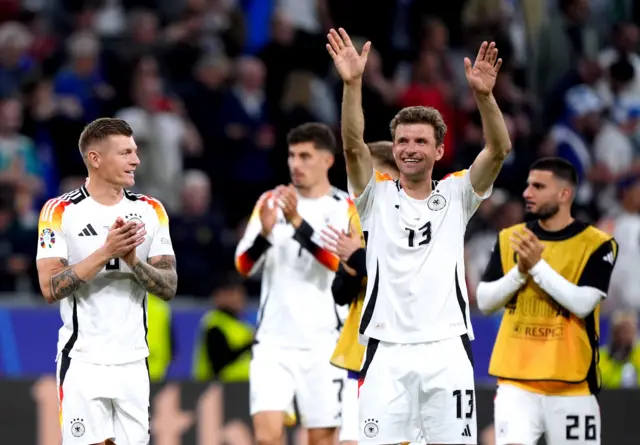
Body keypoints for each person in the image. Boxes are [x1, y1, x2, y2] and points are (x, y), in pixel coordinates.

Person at [326, 27, 511, 445]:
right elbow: (353, 146)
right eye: (403, 140)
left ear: (439, 150)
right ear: (393, 148)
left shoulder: (458, 193)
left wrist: (484, 96)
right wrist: (352, 84)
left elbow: (498, 149)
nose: (410, 148)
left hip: (447, 349)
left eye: (421, 141)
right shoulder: (373, 198)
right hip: (386, 350)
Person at [35, 117, 177, 445]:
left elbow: (168, 286)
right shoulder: (59, 211)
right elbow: (50, 288)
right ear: (96, 159)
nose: (136, 160)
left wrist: (132, 261)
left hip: (133, 361)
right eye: (125, 152)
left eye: (135, 151)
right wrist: (106, 252)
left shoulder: (151, 210)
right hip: (83, 359)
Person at [476, 158, 618, 445]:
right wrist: (520, 273)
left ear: (564, 194)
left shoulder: (597, 244)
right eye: (528, 185)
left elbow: (582, 304)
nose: (527, 192)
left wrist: (538, 269)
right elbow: (485, 300)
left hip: (573, 385)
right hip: (515, 382)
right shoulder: (509, 239)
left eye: (538, 186)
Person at [235, 122, 355, 445]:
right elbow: (243, 265)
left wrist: (298, 224)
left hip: (324, 344)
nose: (295, 164)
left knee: (321, 439)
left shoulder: (343, 207)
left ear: (328, 160)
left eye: (305, 156)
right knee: (267, 437)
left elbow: (338, 264)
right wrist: (264, 234)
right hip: (273, 343)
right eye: (291, 156)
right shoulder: (270, 202)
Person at [324, 141, 399, 445]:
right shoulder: (356, 220)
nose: (366, 187)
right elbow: (341, 293)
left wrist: (357, 259)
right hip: (361, 348)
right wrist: (353, 268)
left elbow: (405, 276)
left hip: (404, 347)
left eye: (376, 176)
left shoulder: (423, 219)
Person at [192, 276, 254, 382]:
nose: (239, 296)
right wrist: (248, 344)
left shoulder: (243, 325)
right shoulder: (215, 323)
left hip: (243, 387)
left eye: (240, 292)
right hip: (222, 390)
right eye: (233, 292)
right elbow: (220, 363)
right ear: (219, 296)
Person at [146, 292, 175, 382]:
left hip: (138, 357)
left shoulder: (134, 303)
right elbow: (169, 333)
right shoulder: (163, 306)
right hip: (159, 360)